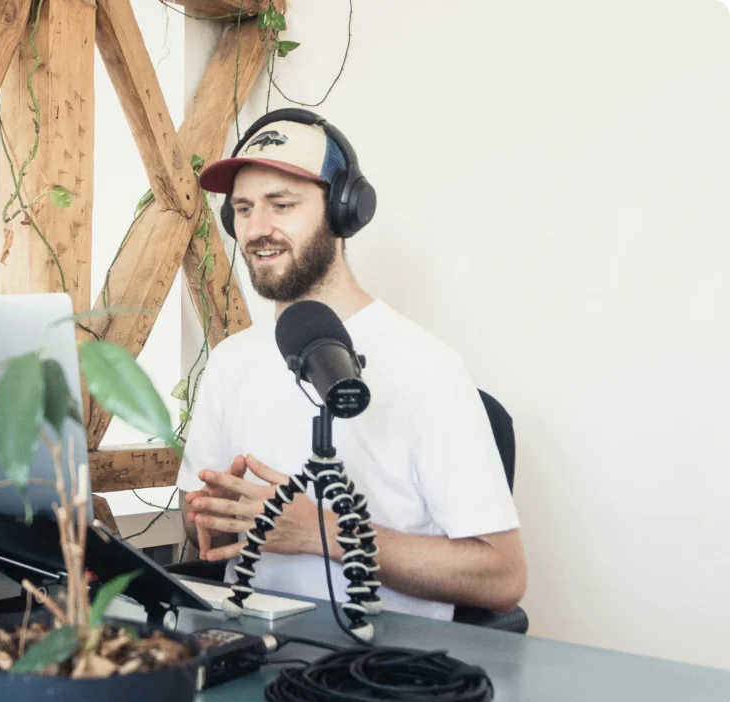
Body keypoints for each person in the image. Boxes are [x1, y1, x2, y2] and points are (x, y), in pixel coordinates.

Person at [177, 109, 526, 620]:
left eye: (282, 204)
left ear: (345, 211)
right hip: (248, 654)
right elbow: (200, 527)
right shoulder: (230, 363)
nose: (257, 229)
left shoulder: (427, 368)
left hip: (380, 675)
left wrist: (323, 531)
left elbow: (502, 576)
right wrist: (217, 511)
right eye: (244, 208)